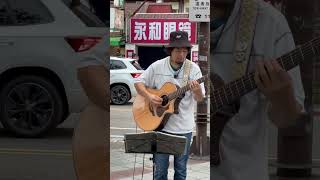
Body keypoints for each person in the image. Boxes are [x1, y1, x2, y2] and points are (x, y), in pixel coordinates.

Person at [210, 0, 305, 180]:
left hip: (243, 173)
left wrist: (282, 97)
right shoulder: (174, 22)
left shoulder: (270, 23)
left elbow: (286, 118)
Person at [134, 30, 206, 180]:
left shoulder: (194, 69)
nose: (181, 54)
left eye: (184, 51)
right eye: (178, 50)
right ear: (170, 50)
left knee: (180, 171)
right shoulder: (157, 66)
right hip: (161, 128)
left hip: (183, 129)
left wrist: (197, 90)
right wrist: (150, 96)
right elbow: (138, 82)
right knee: (159, 172)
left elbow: (200, 99)